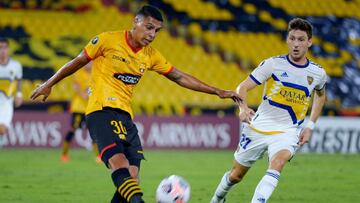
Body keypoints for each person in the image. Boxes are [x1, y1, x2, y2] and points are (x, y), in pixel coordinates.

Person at [30, 5, 242, 203]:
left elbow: (179, 76)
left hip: (125, 117)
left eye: (157, 31)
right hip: (101, 111)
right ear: (136, 22)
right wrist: (49, 84)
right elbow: (77, 61)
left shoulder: (150, 56)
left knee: (132, 177)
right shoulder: (107, 40)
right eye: (149, 27)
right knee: (119, 164)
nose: (152, 34)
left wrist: (217, 91)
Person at [210, 18, 327, 203]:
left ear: (309, 42)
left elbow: (321, 96)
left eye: (301, 39)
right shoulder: (272, 64)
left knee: (277, 164)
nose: (296, 44)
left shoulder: (317, 73)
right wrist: (243, 108)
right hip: (257, 127)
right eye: (292, 38)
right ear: (287, 40)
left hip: (287, 131)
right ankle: (217, 198)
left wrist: (310, 126)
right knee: (235, 176)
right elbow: (243, 87)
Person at [60, 61, 101, 163]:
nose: (89, 65)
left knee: (94, 132)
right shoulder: (79, 73)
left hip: (90, 108)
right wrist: (84, 95)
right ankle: (64, 154)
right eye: (87, 63)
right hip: (78, 108)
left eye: (90, 63)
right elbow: (76, 87)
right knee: (72, 130)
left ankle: (98, 156)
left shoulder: (95, 74)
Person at [0, 37, 22, 147]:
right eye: (0, 48)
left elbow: (19, 80)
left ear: (8, 49)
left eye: (4, 47)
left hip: (6, 103)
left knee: (2, 130)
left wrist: (19, 94)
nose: (2, 51)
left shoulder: (16, 66)